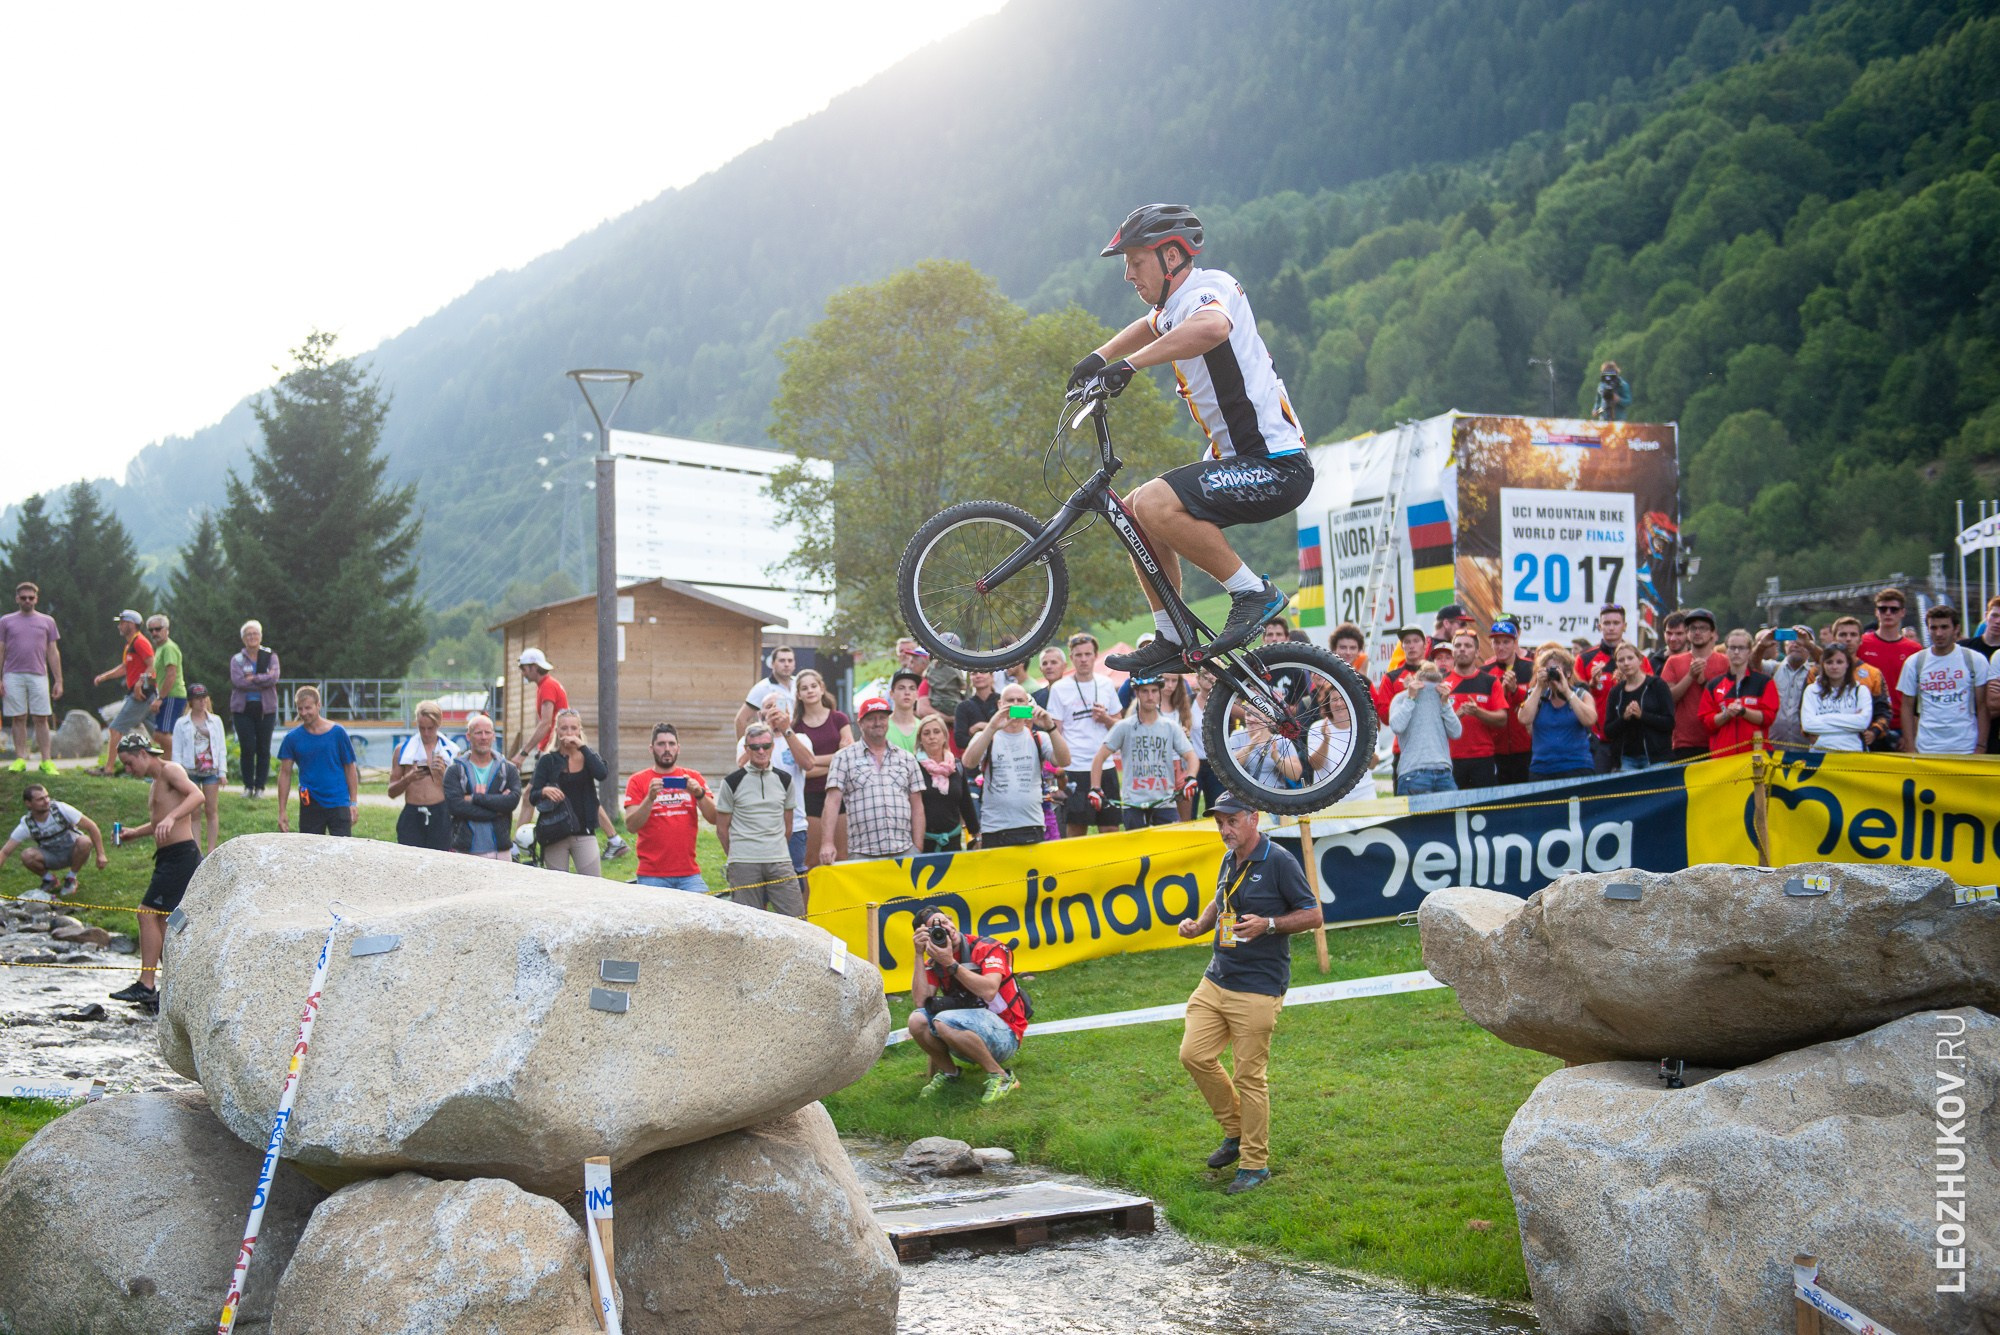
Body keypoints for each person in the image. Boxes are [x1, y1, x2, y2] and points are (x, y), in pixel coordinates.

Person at [1073, 204, 1309, 675]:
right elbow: (1150, 324)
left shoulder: (1208, 289)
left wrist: (1130, 365)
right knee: (1133, 514)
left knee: (1154, 503)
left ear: (1172, 256)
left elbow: (1213, 327)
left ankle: (1252, 593)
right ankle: (1172, 635)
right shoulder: (1176, 305)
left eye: (1135, 262)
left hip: (1276, 465)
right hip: (1240, 461)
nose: (1128, 275)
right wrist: (1099, 357)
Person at [1174, 791, 1321, 1195]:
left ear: (1254, 818)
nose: (1225, 829)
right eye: (1220, 823)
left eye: (1232, 821)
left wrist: (1268, 924)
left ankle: (1255, 1165)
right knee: (1193, 1055)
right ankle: (1236, 1130)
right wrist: (1199, 925)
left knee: (1249, 1077)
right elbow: (1220, 899)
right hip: (1217, 978)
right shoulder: (1230, 857)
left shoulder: (1280, 861)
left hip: (1258, 987)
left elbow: (1313, 914)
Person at [108, 735, 203, 1013]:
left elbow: (196, 795)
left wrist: (173, 817)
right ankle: (173, 986)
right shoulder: (156, 782)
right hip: (168, 857)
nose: (128, 769)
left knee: (146, 913)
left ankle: (146, 983)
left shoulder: (170, 770)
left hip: (181, 856)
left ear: (142, 753)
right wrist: (134, 833)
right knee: (165, 921)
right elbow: (160, 821)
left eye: (128, 763)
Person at [906, 906, 1029, 1106]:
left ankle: (1002, 1078)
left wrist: (951, 964)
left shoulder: (988, 947)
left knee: (943, 1020)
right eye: (935, 928)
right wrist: (919, 955)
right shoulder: (935, 962)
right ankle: (950, 1073)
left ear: (951, 920)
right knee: (916, 1020)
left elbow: (989, 990)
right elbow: (920, 1002)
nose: (945, 928)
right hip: (964, 1032)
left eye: (945, 921)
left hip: (1006, 1034)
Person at [715, 722, 805, 916]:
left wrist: (775, 847)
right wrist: (737, 855)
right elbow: (721, 828)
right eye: (755, 747)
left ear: (773, 746)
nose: (761, 751)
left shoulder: (785, 780)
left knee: (796, 918)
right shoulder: (731, 782)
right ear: (747, 749)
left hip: (779, 858)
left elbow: (788, 825)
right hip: (744, 861)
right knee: (747, 922)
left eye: (766, 746)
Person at [820, 698, 925, 864]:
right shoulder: (843, 757)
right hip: (862, 852)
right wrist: (827, 843)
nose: (877, 723)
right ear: (860, 723)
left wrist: (917, 846)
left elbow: (917, 805)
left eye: (882, 718)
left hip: (904, 850)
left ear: (888, 721)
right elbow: (832, 802)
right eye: (871, 719)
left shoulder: (907, 758)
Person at [961, 684, 1067, 848]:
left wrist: (1050, 726)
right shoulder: (987, 736)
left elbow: (1064, 761)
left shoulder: (1039, 737)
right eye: (1010, 701)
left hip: (1032, 824)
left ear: (1027, 705)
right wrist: (992, 727)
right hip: (995, 827)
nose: (1015, 704)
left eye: (1020, 700)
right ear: (1000, 704)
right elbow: (968, 763)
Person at [1091, 677, 1197, 827]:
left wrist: (1191, 778)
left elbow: (1191, 756)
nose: (1150, 696)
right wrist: (1095, 788)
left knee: (1169, 841)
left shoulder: (1170, 727)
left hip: (1164, 803)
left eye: (1154, 691)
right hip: (1133, 803)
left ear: (1159, 693)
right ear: (1137, 694)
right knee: (1136, 842)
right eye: (1145, 691)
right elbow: (1099, 758)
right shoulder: (1124, 727)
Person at [623, 722, 716, 890]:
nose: (667, 749)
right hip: (652, 874)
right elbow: (631, 826)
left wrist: (699, 793)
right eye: (661, 744)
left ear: (678, 748)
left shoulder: (693, 777)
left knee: (703, 906)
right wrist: (650, 798)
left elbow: (714, 818)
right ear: (651, 748)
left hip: (689, 873)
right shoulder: (638, 780)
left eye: (671, 744)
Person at [1046, 633, 1120, 837]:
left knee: (1110, 828)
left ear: (1096, 655)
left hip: (1105, 765)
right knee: (1077, 828)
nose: (1084, 659)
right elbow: (1056, 731)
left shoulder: (1106, 683)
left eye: (1088, 654)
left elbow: (1120, 726)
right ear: (1071, 658)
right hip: (1075, 766)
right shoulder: (1059, 688)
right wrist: (1057, 765)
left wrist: (1105, 718)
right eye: (1078, 655)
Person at [525, 708, 609, 875]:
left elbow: (602, 774)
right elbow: (532, 796)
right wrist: (544, 791)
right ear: (557, 731)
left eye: (573, 728)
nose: (569, 733)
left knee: (593, 883)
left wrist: (582, 746)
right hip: (555, 832)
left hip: (584, 832)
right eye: (564, 728)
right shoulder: (548, 760)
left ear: (579, 730)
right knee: (558, 885)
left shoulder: (588, 757)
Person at [1898, 604, 1990, 756]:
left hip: (1966, 747)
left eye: (1944, 627)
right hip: (1927, 747)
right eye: (1933, 628)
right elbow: (1907, 707)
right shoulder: (1914, 662)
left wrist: (1981, 746)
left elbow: (1982, 706)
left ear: (1956, 629)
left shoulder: (1974, 660)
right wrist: (1910, 748)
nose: (1939, 633)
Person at [276, 685, 359, 836]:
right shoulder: (292, 738)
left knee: (341, 847)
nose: (304, 713)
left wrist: (353, 802)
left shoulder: (338, 733)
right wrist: (282, 811)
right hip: (310, 802)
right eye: (300, 709)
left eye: (308, 708)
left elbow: (350, 767)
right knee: (310, 847)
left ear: (318, 705)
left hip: (338, 801)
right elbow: (285, 774)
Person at [0, 783, 106, 901]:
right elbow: (5, 852)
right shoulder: (27, 824)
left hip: (74, 852)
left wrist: (101, 854)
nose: (46, 801)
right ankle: (49, 880)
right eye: (40, 799)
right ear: (28, 803)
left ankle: (71, 878)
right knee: (26, 855)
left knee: (85, 841)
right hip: (51, 856)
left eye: (47, 797)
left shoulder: (61, 809)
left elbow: (91, 826)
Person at [1574, 604, 1646, 774]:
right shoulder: (1585, 659)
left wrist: (1629, 680)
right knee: (1598, 787)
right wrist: (1591, 685)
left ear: (1624, 626)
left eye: (1616, 623)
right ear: (1599, 626)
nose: (1611, 628)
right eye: (1607, 623)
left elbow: (1648, 694)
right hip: (1599, 741)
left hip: (1631, 741)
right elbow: (1574, 698)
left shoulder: (1638, 658)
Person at [1, 582, 62, 776]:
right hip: (12, 674)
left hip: (39, 674)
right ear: (17, 599)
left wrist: (58, 680)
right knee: (18, 717)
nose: (27, 601)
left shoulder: (47, 621)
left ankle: (46, 761)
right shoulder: (6, 621)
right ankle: (20, 758)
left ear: (36, 599)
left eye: (31, 597)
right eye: (23, 597)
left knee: (41, 717)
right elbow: (1, 650)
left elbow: (52, 651)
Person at [793, 670, 851, 870]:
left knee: (842, 857)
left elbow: (849, 757)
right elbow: (801, 771)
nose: (810, 691)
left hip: (839, 792)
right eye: (804, 688)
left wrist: (811, 761)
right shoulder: (796, 728)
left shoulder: (839, 719)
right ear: (799, 695)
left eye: (813, 686)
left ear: (822, 688)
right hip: (810, 796)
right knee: (812, 859)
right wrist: (835, 760)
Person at [442, 713, 522, 860]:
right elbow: (455, 806)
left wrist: (475, 798)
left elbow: (512, 802)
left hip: (500, 850)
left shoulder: (508, 769)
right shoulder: (455, 770)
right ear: (468, 736)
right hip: (466, 850)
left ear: (493, 736)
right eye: (478, 733)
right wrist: (497, 810)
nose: (483, 737)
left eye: (487, 732)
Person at [388, 699, 459, 851]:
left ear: (439, 724)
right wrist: (408, 779)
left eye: (430, 728)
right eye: (422, 728)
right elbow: (391, 792)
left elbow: (459, 793)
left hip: (440, 813)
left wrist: (443, 774)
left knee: (440, 859)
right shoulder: (403, 750)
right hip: (412, 813)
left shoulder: (451, 751)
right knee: (409, 859)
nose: (426, 733)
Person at [1519, 646, 1599, 780]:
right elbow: (1524, 719)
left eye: (1555, 670)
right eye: (1548, 670)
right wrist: (1539, 687)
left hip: (1577, 766)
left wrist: (1567, 692)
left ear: (1568, 673)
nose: (1552, 675)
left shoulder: (1581, 695)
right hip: (1542, 769)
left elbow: (1590, 720)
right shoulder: (1537, 695)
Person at [90, 609, 154, 774]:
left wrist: (140, 682)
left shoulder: (140, 642)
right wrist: (104, 677)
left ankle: (108, 769)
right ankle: (166, 768)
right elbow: (125, 667)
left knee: (115, 729)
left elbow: (152, 664)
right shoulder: (130, 645)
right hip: (142, 695)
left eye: (122, 623)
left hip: (141, 695)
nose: (119, 626)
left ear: (131, 624)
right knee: (160, 734)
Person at [1698, 629, 1779, 757]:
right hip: (1723, 757)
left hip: (1755, 756)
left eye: (1741, 648)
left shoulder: (1764, 682)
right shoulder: (1714, 685)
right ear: (1726, 650)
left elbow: (1768, 718)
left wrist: (1744, 711)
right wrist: (1726, 714)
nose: (1736, 652)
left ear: (1749, 651)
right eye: (1732, 648)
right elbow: (1707, 723)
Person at [1443, 630, 1507, 790]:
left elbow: (1502, 719)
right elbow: (1433, 724)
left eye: (1468, 646)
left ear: (1477, 652)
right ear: (1453, 651)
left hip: (1483, 758)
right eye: (1458, 645)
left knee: (1486, 804)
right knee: (1453, 805)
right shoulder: (1441, 682)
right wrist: (1456, 716)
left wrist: (1478, 712)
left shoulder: (1490, 682)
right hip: (1449, 759)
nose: (1462, 649)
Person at [1661, 607, 1727, 760]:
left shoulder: (1725, 662)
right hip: (1684, 743)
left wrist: (1704, 682)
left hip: (1718, 739)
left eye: (1703, 628)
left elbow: (1729, 698)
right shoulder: (1673, 662)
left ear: (1713, 633)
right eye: (1693, 628)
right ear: (1687, 633)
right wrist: (1690, 676)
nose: (1697, 632)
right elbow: (1667, 700)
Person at [170, 684, 228, 854]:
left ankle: (211, 849)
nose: (202, 702)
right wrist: (177, 775)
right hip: (190, 771)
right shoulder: (182, 723)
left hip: (211, 771)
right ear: (191, 701)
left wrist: (222, 771)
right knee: (194, 812)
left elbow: (221, 747)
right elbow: (177, 751)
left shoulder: (215, 721)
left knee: (211, 809)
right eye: (198, 698)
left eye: (204, 698)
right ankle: (196, 850)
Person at [1388, 660, 1461, 795]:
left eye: (1433, 685)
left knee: (1454, 810)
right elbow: (1397, 726)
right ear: (1417, 681)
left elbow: (1456, 732)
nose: (1429, 689)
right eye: (1425, 685)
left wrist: (1445, 704)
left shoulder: (1443, 699)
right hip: (1414, 772)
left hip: (1443, 772)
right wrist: (1410, 698)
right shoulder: (1402, 698)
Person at [229, 620, 281, 798]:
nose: (252, 637)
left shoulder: (270, 656)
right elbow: (239, 682)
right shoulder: (237, 659)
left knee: (263, 748)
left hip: (266, 709)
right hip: (242, 709)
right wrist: (263, 679)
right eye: (248, 634)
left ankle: (260, 787)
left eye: (255, 634)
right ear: (243, 638)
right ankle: (248, 786)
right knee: (247, 747)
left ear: (261, 636)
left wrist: (254, 678)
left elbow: (274, 678)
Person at [1602, 643, 1675, 770]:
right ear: (1617, 664)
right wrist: (1624, 718)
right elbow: (1608, 731)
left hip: (1656, 757)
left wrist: (1642, 715)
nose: (1626, 663)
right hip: (1626, 759)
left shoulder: (1656, 685)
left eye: (1630, 658)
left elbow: (1669, 722)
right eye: (1621, 660)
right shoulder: (1615, 692)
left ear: (1640, 660)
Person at [913, 716, 979, 853]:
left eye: (937, 732)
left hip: (952, 841)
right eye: (926, 733)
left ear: (945, 736)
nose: (932, 737)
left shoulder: (956, 765)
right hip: (922, 843)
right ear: (920, 740)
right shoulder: (912, 766)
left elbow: (966, 803)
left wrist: (976, 834)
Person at [1483, 618, 1534, 784]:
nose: (1501, 647)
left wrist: (1515, 691)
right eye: (1496, 642)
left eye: (1506, 642)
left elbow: (1535, 706)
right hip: (1496, 751)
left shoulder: (1531, 668)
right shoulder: (1484, 672)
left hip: (1526, 749)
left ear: (1515, 643)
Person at [1858, 587, 1921, 722]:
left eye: (1894, 609)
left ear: (1902, 612)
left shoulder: (1914, 649)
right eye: (1883, 609)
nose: (1888, 613)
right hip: (1868, 721)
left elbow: (1918, 693)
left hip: (1902, 723)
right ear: (1876, 612)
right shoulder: (1861, 643)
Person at [1756, 626, 1820, 747]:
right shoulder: (1773, 668)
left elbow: (1827, 661)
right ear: (1785, 645)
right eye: (1792, 639)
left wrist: (1809, 645)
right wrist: (1761, 646)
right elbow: (1752, 664)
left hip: (1805, 747)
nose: (1796, 644)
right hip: (1773, 746)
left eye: (1802, 641)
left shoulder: (1815, 673)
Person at [1800, 644, 1873, 751]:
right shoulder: (1812, 691)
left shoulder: (1861, 691)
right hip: (1820, 754)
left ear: (1847, 664)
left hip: (1854, 752)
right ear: (1823, 664)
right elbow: (1808, 725)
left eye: (1839, 662)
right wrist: (1851, 722)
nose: (1834, 667)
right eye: (1829, 662)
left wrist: (1822, 718)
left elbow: (1862, 723)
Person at [511, 648, 567, 768]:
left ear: (534, 667)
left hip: (551, 750)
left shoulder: (547, 686)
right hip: (552, 749)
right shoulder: (546, 685)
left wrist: (523, 753)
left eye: (524, 669)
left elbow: (546, 723)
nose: (523, 674)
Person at [144, 614, 186, 751]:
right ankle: (170, 761)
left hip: (172, 695)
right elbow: (161, 674)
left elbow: (171, 674)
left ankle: (174, 761)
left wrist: (160, 699)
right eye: (151, 630)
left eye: (158, 629)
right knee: (159, 734)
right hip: (167, 695)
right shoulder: (160, 648)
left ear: (167, 629)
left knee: (162, 734)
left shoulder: (169, 647)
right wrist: (149, 679)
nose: (154, 633)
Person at [734, 645, 797, 736]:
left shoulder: (799, 683)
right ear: (772, 664)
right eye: (782, 660)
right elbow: (741, 720)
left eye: (790, 660)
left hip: (798, 739)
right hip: (772, 740)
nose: (786, 664)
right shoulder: (762, 687)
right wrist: (743, 744)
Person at [952, 669, 1000, 751]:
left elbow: (1012, 729)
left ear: (992, 676)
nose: (978, 675)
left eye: (983, 672)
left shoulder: (1004, 701)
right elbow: (960, 740)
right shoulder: (963, 707)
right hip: (976, 756)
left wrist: (980, 726)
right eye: (974, 673)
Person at [885, 670, 925, 754]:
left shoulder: (924, 728)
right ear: (891, 694)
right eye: (901, 688)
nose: (907, 693)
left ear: (917, 694)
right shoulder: (882, 727)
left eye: (912, 688)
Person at [1650, 610, 1687, 676]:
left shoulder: (1695, 660)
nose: (1672, 639)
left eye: (1679, 634)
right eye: (1669, 633)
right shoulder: (1654, 662)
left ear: (1688, 634)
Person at [1032, 645, 1067, 709]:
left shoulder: (1074, 692)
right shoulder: (1034, 699)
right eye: (1044, 663)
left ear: (1064, 666)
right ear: (1040, 669)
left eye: (1053, 662)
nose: (1048, 667)